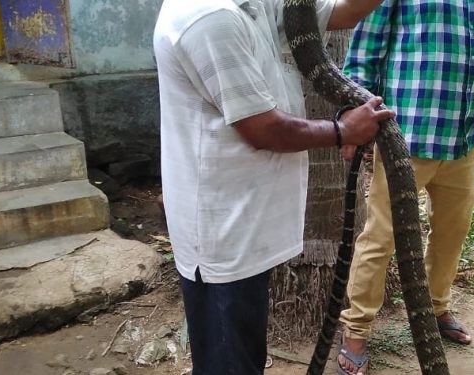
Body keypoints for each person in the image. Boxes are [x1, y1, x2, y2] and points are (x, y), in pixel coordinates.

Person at [152, 0, 395, 373]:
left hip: (248, 219)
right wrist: (343, 131)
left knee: (241, 352)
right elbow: (262, 128)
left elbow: (342, 12)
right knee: (230, 361)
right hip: (224, 229)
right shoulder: (209, 16)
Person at [336, 0, 474, 372]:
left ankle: (435, 307)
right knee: (381, 236)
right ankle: (355, 328)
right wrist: (353, 114)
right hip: (406, 139)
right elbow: (365, 51)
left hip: (464, 141)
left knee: (452, 231)